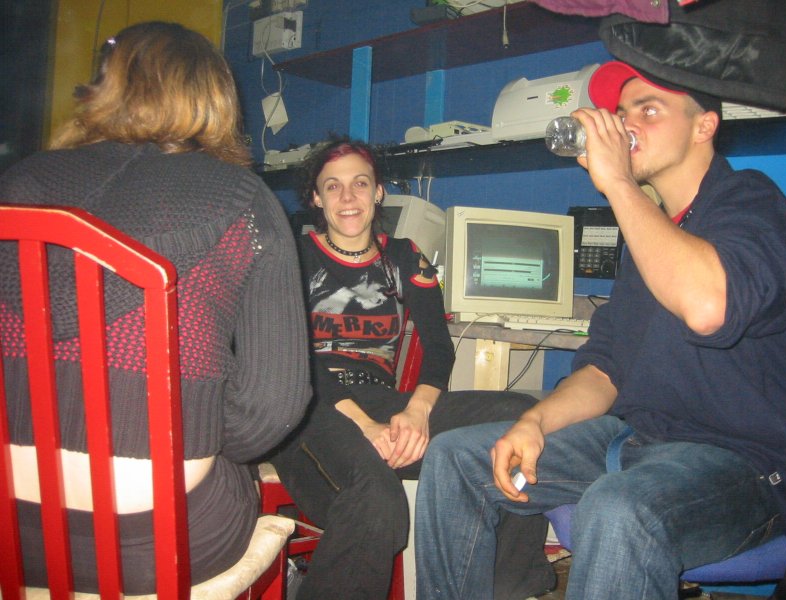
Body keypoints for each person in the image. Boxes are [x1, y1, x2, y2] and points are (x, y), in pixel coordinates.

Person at [415, 60, 786, 599]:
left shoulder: (751, 201)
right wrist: (534, 422)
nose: (626, 126)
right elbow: (605, 370)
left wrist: (618, 182)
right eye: (621, 113)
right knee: (455, 458)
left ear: (704, 125)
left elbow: (709, 307)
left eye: (649, 110)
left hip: (745, 466)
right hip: (641, 440)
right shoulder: (651, 233)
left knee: (617, 507)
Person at [0, 21, 311, 594]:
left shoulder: (16, 184)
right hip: (157, 539)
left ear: (105, 85)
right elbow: (273, 408)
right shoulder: (245, 203)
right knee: (241, 470)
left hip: (9, 531)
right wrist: (194, 428)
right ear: (213, 96)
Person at [267, 136, 556, 600]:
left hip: (383, 402)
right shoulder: (292, 258)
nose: (348, 197)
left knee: (525, 416)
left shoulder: (404, 257)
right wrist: (365, 426)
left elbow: (439, 348)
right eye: (333, 186)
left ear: (378, 191)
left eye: (360, 183)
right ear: (316, 198)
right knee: (378, 501)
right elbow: (291, 356)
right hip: (308, 410)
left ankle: (508, 586)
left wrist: (417, 412)